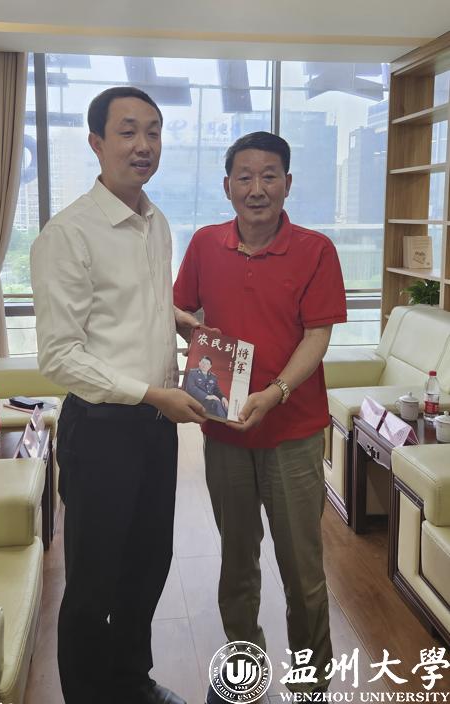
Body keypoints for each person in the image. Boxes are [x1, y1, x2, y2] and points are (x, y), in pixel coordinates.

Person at [30, 86, 205, 704]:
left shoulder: (157, 223)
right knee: (93, 581)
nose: (143, 145)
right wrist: (152, 393)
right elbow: (60, 355)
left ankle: (132, 681)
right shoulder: (68, 233)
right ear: (96, 143)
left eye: (153, 131)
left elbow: (135, 306)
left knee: (148, 565)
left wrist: (179, 321)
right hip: (101, 428)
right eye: (128, 131)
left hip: (157, 427)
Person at [173, 131, 347, 703]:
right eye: (244, 177)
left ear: (287, 184)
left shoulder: (316, 250)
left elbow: (317, 336)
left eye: (269, 176)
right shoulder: (205, 243)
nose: (256, 188)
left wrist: (275, 392)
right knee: (236, 562)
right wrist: (195, 331)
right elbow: (177, 307)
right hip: (225, 431)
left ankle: (311, 684)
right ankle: (243, 672)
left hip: (293, 434)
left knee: (303, 571)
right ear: (227, 186)